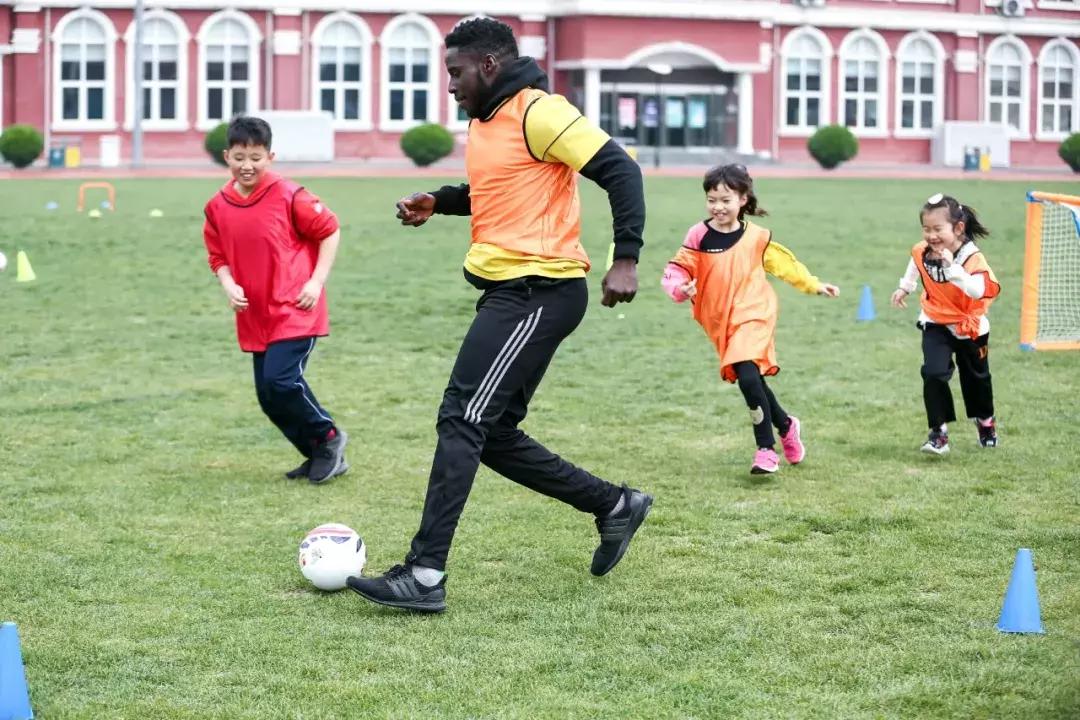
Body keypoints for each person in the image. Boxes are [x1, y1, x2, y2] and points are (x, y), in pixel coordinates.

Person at [347, 17, 651, 613]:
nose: (451, 85)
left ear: (488, 65)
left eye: (456, 72)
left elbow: (621, 170)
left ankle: (425, 575)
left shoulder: (541, 110)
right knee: (492, 433)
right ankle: (614, 505)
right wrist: (439, 201)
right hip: (510, 291)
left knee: (460, 417)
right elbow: (498, 189)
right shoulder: (487, 120)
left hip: (540, 289)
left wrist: (628, 259)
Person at [661, 164, 839, 475]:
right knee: (752, 378)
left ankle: (766, 449)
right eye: (712, 200)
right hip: (720, 319)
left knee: (746, 376)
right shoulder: (698, 235)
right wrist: (680, 287)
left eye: (726, 200)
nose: (718, 207)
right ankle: (786, 425)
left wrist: (813, 284)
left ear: (743, 199)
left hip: (755, 312)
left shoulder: (756, 237)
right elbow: (678, 269)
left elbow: (785, 265)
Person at [202, 116, 348, 484]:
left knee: (282, 382)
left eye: (255, 157)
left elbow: (330, 231)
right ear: (226, 157)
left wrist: (315, 282)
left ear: (270, 156)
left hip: (296, 307)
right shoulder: (217, 206)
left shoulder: (290, 195)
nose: (246, 165)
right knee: (268, 395)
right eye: (239, 157)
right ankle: (318, 453)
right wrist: (228, 284)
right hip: (255, 314)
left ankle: (329, 437)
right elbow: (217, 256)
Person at [890, 193, 1000, 454]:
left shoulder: (972, 258)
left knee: (976, 379)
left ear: (958, 228)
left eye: (937, 229)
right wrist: (905, 286)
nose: (931, 236)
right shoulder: (925, 249)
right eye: (926, 229)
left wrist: (952, 270)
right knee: (933, 373)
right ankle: (939, 433)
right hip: (935, 320)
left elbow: (977, 290)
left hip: (969, 326)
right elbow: (916, 259)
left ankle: (985, 422)